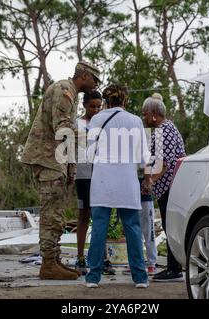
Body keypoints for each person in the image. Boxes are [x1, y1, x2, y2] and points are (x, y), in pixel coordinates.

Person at [21, 61, 100, 280]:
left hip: (56, 159)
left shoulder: (70, 94)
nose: (95, 84)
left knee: (56, 212)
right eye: (95, 78)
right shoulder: (64, 91)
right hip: (48, 158)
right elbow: (63, 128)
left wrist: (71, 166)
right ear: (84, 76)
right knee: (51, 213)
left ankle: (53, 259)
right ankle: (48, 263)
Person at [85, 84, 150, 289]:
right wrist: (146, 178)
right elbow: (143, 158)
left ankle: (93, 277)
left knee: (99, 229)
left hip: (102, 180)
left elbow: (89, 153)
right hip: (127, 181)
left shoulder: (96, 119)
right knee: (132, 228)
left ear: (106, 101)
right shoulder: (135, 121)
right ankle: (140, 278)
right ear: (125, 100)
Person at [141, 94, 186, 282]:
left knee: (169, 227)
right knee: (169, 227)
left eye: (145, 114)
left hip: (169, 186)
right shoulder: (164, 128)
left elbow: (165, 163)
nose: (143, 117)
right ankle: (173, 267)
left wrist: (150, 181)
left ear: (153, 114)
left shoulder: (164, 131)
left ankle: (174, 269)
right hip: (169, 185)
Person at [75, 90, 115, 276]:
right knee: (84, 215)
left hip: (103, 173)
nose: (96, 110)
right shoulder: (78, 124)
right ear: (84, 105)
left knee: (102, 214)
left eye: (99, 106)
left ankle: (103, 258)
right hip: (83, 174)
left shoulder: (106, 123)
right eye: (93, 106)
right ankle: (80, 258)